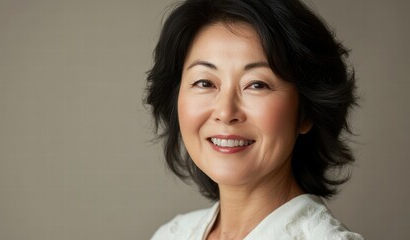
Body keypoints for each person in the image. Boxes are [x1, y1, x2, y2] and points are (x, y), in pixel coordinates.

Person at [145, 0, 363, 239]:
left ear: (306, 111)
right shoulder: (171, 235)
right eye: (205, 83)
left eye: (256, 85)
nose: (226, 112)